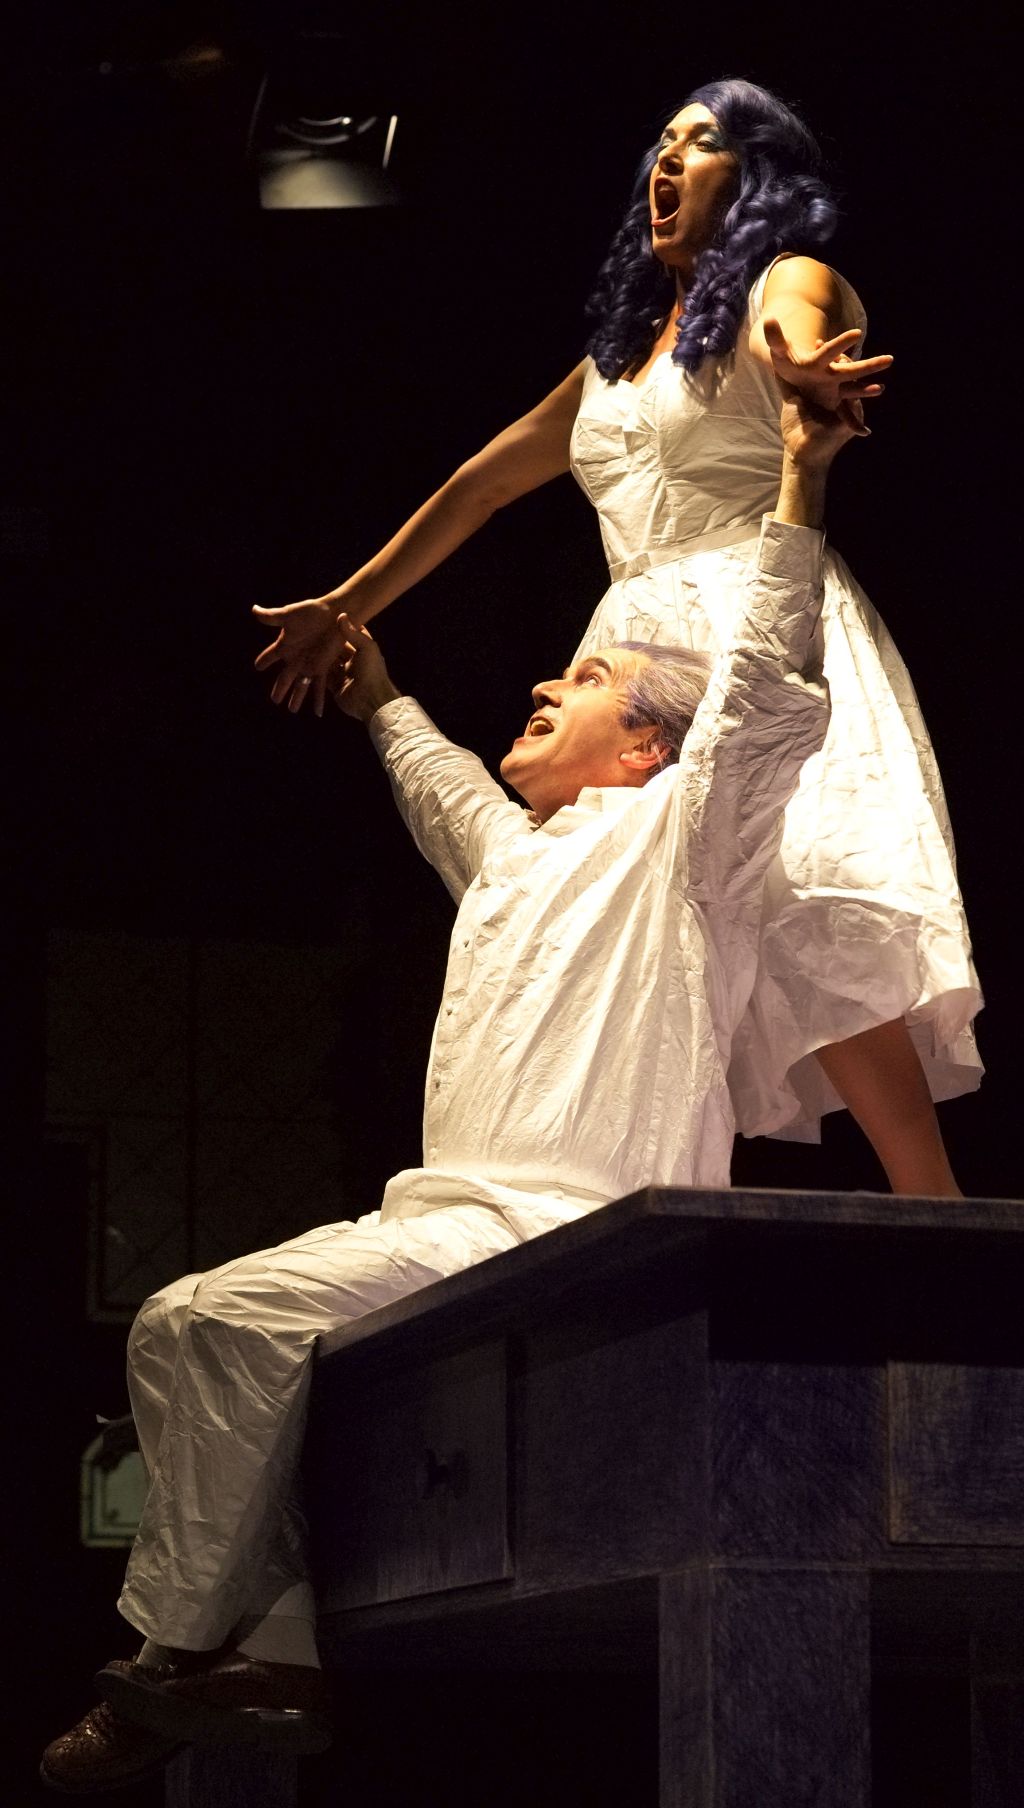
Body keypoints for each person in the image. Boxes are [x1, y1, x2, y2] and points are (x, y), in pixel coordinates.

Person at [44, 376, 848, 1794]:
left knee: (215, 1316)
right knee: (181, 1324)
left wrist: (802, 475)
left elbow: (764, 691)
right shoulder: (512, 855)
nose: (545, 685)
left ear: (647, 747)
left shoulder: (683, 841)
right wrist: (370, 679)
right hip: (445, 1228)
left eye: (584, 682)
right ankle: (265, 1651)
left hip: (571, 1231)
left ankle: (171, 1660)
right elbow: (430, 775)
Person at [252, 78, 982, 1194]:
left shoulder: (785, 281)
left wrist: (802, 369)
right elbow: (481, 485)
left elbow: (800, 332)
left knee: (799, 901)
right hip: (635, 646)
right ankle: (642, 1197)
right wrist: (349, 602)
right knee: (632, 921)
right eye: (663, 141)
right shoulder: (616, 357)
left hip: (752, 603)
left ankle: (931, 1202)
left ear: (755, 177)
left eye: (703, 142)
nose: (668, 158)